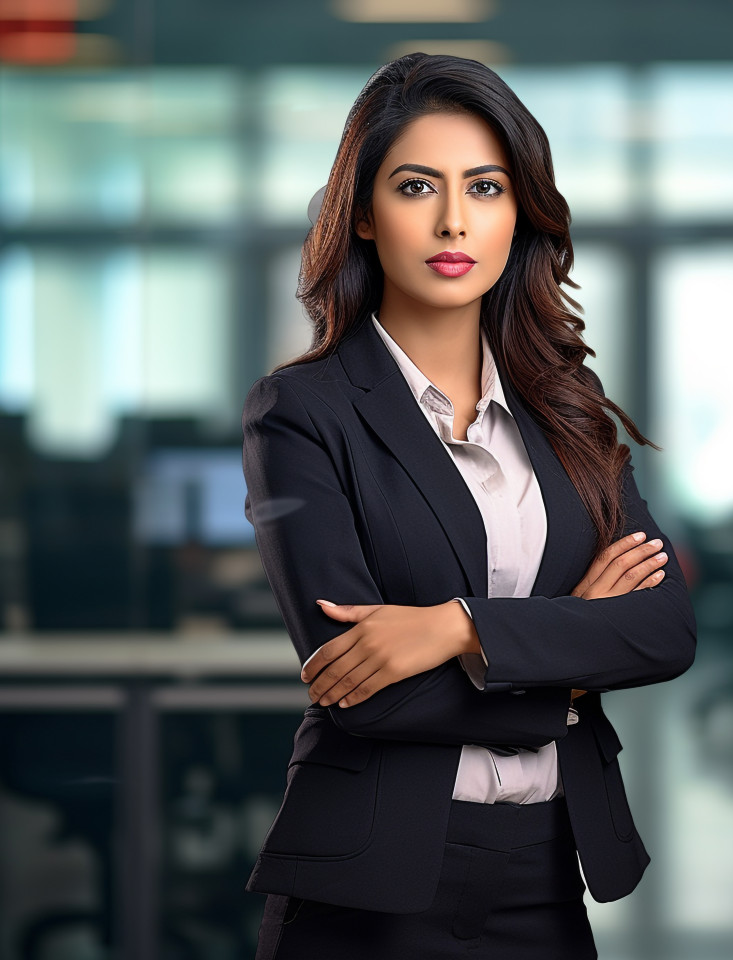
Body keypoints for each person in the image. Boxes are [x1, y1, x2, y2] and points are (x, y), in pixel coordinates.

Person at [242, 52, 696, 960]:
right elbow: (363, 693)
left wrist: (455, 630)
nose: (455, 220)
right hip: (370, 885)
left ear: (518, 210)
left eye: (485, 187)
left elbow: (663, 631)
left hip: (548, 868)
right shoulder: (302, 413)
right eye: (418, 186)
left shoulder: (565, 406)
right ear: (364, 214)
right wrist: (569, 651)